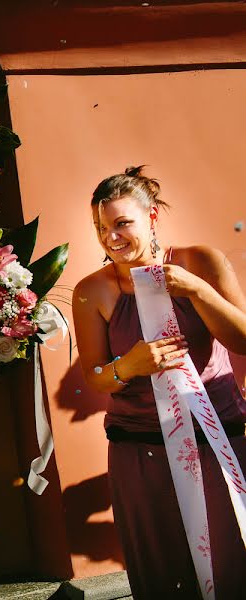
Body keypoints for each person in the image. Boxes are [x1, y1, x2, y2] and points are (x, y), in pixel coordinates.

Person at [73, 166, 246, 598]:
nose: (110, 237)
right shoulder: (90, 291)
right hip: (141, 454)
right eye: (100, 228)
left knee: (232, 563)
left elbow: (243, 340)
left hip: (219, 443)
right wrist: (127, 366)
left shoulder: (202, 262)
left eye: (121, 223)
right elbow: (95, 378)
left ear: (151, 218)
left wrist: (198, 292)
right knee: (164, 571)